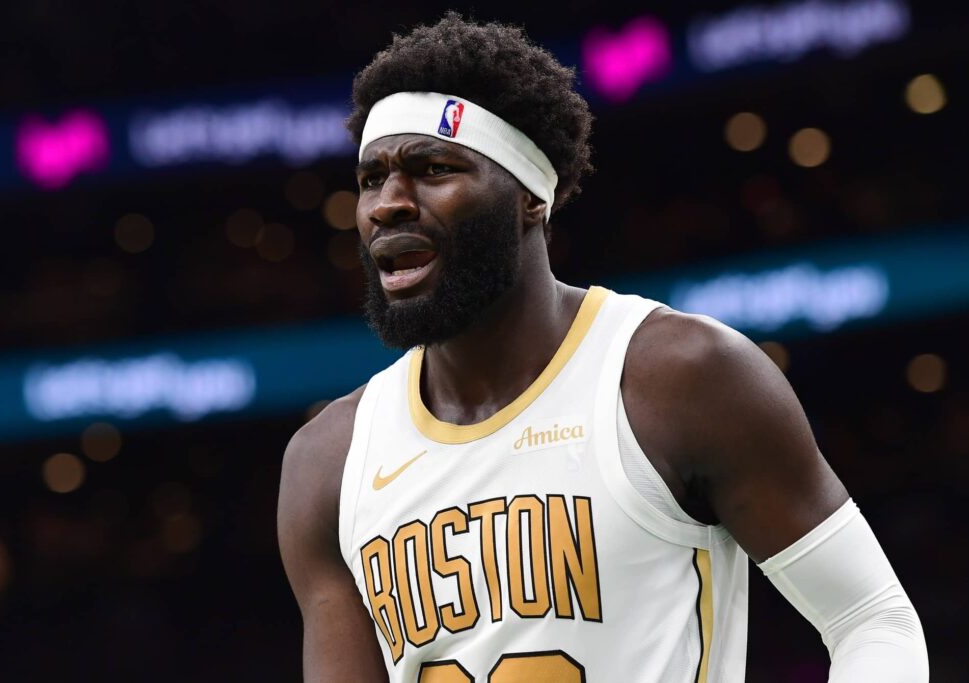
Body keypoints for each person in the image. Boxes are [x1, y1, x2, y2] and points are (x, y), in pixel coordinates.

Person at [277, 13, 928, 682]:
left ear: (532, 197)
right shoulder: (327, 463)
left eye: (433, 168)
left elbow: (873, 619)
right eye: (370, 178)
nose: (387, 203)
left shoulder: (680, 378)